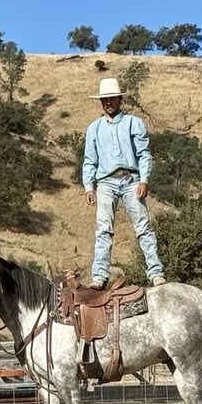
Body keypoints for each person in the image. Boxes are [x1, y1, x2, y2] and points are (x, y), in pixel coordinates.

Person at [82, 77, 166, 290]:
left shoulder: (134, 123)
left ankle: (156, 272)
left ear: (120, 99)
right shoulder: (94, 128)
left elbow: (144, 154)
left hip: (131, 179)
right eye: (104, 100)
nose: (108, 103)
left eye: (111, 99)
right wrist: (88, 186)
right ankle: (100, 276)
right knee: (103, 229)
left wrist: (144, 180)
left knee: (143, 226)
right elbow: (90, 159)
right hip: (105, 181)